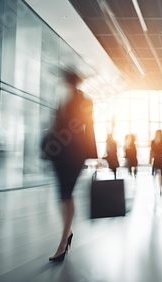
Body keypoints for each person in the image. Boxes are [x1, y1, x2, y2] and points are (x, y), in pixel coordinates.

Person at [45, 68, 97, 262]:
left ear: (73, 83)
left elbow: (89, 125)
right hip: (59, 153)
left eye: (67, 82)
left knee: (67, 193)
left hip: (75, 154)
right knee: (63, 195)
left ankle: (63, 242)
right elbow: (55, 125)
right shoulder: (63, 100)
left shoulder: (85, 100)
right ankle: (69, 232)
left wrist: (92, 154)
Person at [150, 130, 162, 195]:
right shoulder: (153, 142)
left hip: (161, 159)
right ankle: (155, 187)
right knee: (154, 173)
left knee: (161, 173)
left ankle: (160, 187)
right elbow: (151, 151)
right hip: (156, 159)